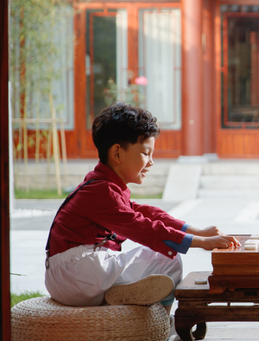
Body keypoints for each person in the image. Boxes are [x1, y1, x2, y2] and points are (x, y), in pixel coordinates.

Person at [45, 102, 239, 320]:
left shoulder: (103, 186)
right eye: (146, 153)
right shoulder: (101, 192)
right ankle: (161, 324)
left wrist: (199, 232)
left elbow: (149, 214)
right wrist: (200, 243)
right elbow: (142, 227)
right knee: (167, 260)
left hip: (75, 273)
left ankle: (124, 295)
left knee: (163, 257)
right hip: (76, 274)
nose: (151, 162)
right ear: (117, 153)